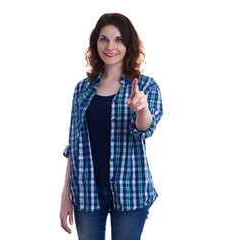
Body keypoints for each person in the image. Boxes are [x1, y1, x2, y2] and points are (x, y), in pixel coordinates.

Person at [60, 13, 163, 240]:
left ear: (129, 43)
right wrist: (65, 194)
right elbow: (74, 145)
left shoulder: (146, 86)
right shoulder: (82, 89)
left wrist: (141, 108)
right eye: (103, 39)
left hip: (130, 190)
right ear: (95, 42)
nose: (110, 46)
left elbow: (145, 128)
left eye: (118, 40)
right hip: (86, 192)